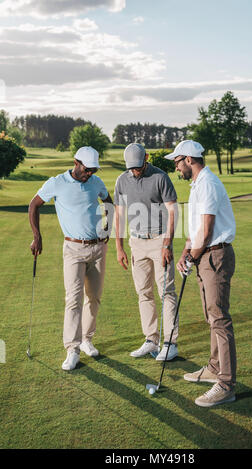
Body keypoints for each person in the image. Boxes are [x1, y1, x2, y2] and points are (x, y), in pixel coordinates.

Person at [165, 140, 237, 407]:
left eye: (177, 162)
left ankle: (227, 385)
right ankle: (214, 368)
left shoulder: (207, 183)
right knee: (211, 316)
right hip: (205, 254)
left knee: (220, 319)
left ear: (189, 159)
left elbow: (207, 231)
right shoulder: (198, 184)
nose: (176, 167)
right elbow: (196, 228)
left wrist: (191, 257)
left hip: (215, 255)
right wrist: (186, 251)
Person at [29, 146, 113, 371]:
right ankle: (72, 350)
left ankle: (87, 340)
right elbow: (34, 205)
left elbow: (109, 203)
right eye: (87, 169)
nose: (90, 174)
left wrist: (108, 227)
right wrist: (37, 237)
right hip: (73, 250)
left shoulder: (95, 183)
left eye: (93, 170)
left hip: (97, 249)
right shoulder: (57, 183)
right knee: (73, 299)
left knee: (94, 298)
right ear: (76, 162)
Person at [114, 143, 179, 361]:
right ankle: (151, 340)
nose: (135, 171)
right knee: (144, 292)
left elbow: (172, 210)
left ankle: (170, 343)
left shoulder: (161, 178)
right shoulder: (122, 180)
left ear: (146, 158)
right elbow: (119, 215)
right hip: (136, 243)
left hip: (160, 240)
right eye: (131, 167)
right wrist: (119, 247)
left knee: (166, 292)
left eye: (138, 167)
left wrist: (167, 244)